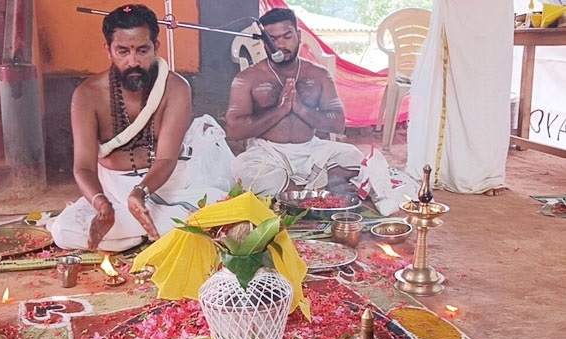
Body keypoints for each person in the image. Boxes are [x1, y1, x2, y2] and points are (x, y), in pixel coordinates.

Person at [49, 4, 232, 253]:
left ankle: (135, 233)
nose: (133, 61)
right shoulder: (88, 94)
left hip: (171, 181)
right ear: (108, 50)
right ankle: (150, 231)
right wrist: (101, 204)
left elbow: (166, 158)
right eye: (122, 51)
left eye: (142, 50)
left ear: (156, 47)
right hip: (115, 189)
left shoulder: (175, 88)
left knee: (216, 214)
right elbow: (83, 168)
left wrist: (140, 192)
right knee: (63, 231)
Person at [225, 8, 365, 196]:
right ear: (264, 42)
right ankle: (314, 190)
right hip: (268, 152)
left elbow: (338, 124)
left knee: (355, 157)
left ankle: (295, 191)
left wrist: (301, 109)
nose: (280, 45)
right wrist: (280, 110)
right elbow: (235, 131)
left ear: (298, 36)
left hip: (312, 150)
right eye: (272, 39)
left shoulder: (318, 74)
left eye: (287, 36)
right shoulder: (247, 78)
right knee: (243, 168)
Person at [406, 0, 512, 196]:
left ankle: (487, 174)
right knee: (456, 85)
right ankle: (446, 169)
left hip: (494, 12)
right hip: (458, 11)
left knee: (489, 88)